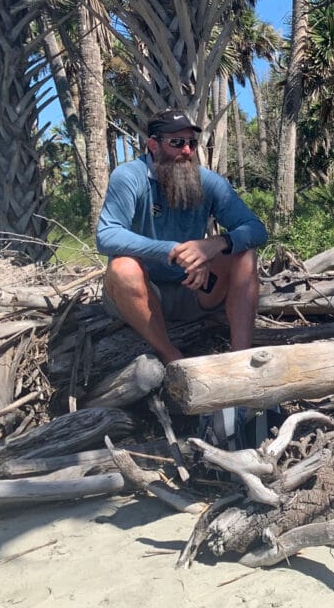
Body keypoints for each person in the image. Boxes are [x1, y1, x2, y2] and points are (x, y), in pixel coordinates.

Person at [96, 109, 268, 446]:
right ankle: (173, 358)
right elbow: (107, 235)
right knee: (122, 267)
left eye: (192, 142)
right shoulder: (129, 177)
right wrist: (171, 250)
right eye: (177, 142)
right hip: (144, 292)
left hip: (195, 290)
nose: (187, 150)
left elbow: (255, 229)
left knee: (243, 253)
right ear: (153, 145)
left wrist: (215, 244)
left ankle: (240, 362)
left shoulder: (208, 182)